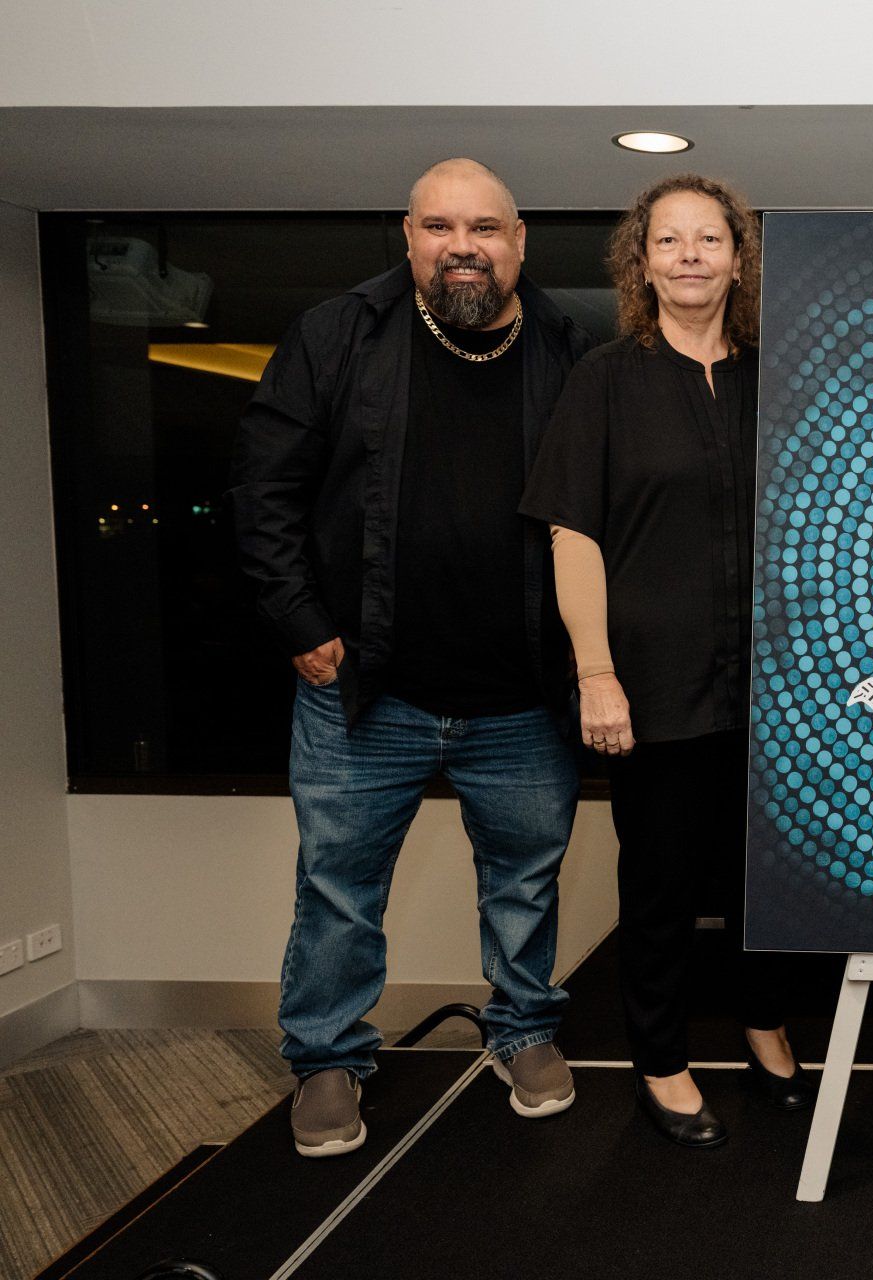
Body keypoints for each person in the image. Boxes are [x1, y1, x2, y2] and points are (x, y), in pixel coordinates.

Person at [231, 159, 595, 1157]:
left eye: (484, 225)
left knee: (526, 881)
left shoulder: (566, 344)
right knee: (340, 887)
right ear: (408, 236)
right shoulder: (337, 334)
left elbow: (598, 519)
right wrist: (304, 625)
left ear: (520, 241)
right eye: (440, 225)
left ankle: (524, 1030)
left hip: (523, 694)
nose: (462, 243)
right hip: (365, 690)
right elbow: (265, 491)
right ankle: (326, 1057)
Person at [521, 173, 808, 1149]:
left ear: (739, 257)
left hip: (778, 688)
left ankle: (764, 1019)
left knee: (763, 879)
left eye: (710, 238)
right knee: (661, 886)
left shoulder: (783, 374)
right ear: (641, 262)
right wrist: (594, 670)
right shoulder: (606, 378)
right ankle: (661, 1057)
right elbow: (573, 534)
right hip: (650, 686)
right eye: (669, 240)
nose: (690, 254)